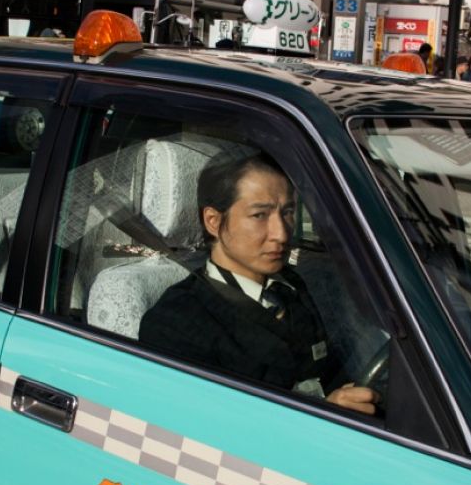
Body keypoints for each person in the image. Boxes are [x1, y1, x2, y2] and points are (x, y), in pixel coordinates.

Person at [139, 154, 379, 415]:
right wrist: (323, 413)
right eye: (259, 215)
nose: (281, 234)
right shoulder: (174, 322)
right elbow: (205, 426)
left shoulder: (290, 286)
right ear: (213, 221)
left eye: (288, 212)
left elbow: (326, 370)